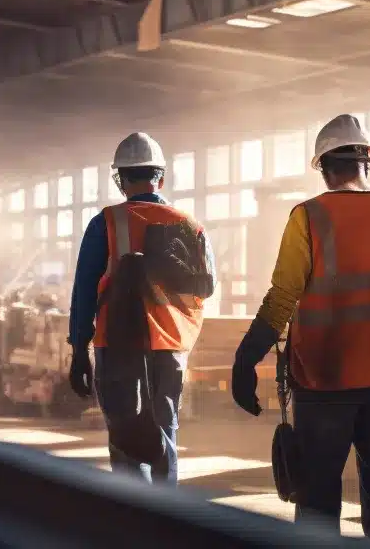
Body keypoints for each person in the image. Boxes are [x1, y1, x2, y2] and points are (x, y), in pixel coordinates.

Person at [230, 114, 370, 543]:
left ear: (325, 167)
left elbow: (282, 298)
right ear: (369, 160)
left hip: (322, 385)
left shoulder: (310, 216)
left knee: (316, 503)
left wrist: (246, 358)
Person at [67, 132, 216, 484]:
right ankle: (166, 521)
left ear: (120, 180)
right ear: (160, 178)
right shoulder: (189, 225)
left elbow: (84, 292)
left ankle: (133, 523)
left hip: (118, 346)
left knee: (124, 436)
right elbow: (205, 288)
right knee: (165, 430)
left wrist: (78, 351)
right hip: (170, 348)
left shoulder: (106, 222)